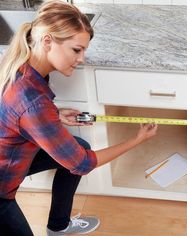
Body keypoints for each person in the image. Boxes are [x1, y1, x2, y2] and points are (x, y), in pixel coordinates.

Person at [0, 1, 158, 235]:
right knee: (79, 156)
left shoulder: (21, 64)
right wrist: (138, 140)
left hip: (10, 159)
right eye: (76, 49)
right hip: (2, 187)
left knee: (79, 145)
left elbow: (20, 115)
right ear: (47, 41)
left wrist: (55, 114)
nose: (82, 58)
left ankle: (59, 225)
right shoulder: (32, 101)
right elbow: (82, 164)